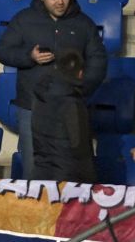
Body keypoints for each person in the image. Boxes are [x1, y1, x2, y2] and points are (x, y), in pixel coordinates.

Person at [0, 0, 108, 177]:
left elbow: (98, 60)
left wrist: (81, 88)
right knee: (35, 167)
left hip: (71, 106)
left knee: (74, 168)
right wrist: (29, 57)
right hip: (32, 106)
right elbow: (4, 51)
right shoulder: (23, 19)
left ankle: (70, 210)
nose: (60, 1)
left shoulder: (84, 23)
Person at [30, 50, 98, 183]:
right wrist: (91, 182)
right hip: (66, 180)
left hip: (40, 174)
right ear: (80, 73)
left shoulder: (39, 96)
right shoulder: (72, 103)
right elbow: (80, 148)